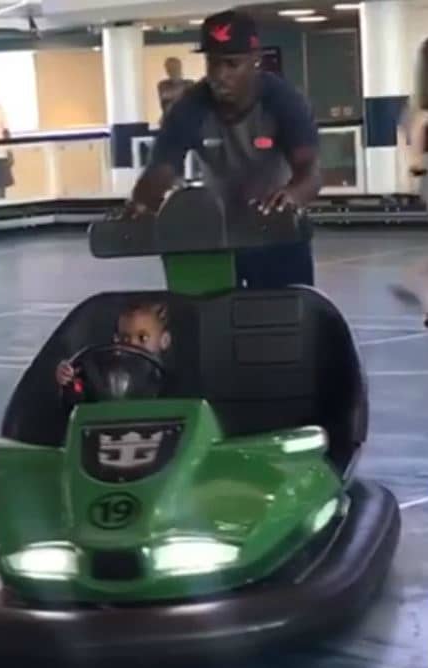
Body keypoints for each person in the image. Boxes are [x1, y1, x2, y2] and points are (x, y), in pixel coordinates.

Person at [130, 9, 321, 290]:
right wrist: (143, 201)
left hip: (277, 232)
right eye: (213, 63)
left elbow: (310, 171)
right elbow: (160, 170)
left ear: (255, 60)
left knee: (284, 324)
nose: (220, 75)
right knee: (211, 322)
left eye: (232, 64)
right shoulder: (189, 107)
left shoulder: (284, 101)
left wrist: (291, 195)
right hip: (216, 234)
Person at [393, 38, 428, 327]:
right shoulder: (422, 114)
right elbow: (416, 160)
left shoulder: (415, 109)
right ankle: (413, 280)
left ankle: (414, 280)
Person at [56, 301, 172, 388]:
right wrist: (67, 376)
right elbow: (79, 390)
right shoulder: (104, 373)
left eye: (143, 338)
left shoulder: (170, 381)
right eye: (125, 338)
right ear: (116, 340)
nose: (133, 344)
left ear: (164, 340)